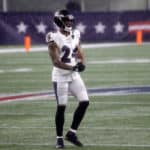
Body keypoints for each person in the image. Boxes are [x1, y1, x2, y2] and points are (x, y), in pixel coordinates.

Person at [46, 9, 89, 149]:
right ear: (59, 21)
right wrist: (73, 68)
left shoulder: (75, 33)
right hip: (60, 76)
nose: (69, 23)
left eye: (70, 20)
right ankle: (59, 139)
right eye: (66, 20)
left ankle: (71, 133)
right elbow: (55, 62)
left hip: (73, 74)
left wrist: (81, 62)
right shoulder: (53, 37)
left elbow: (79, 49)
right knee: (61, 107)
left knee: (85, 102)